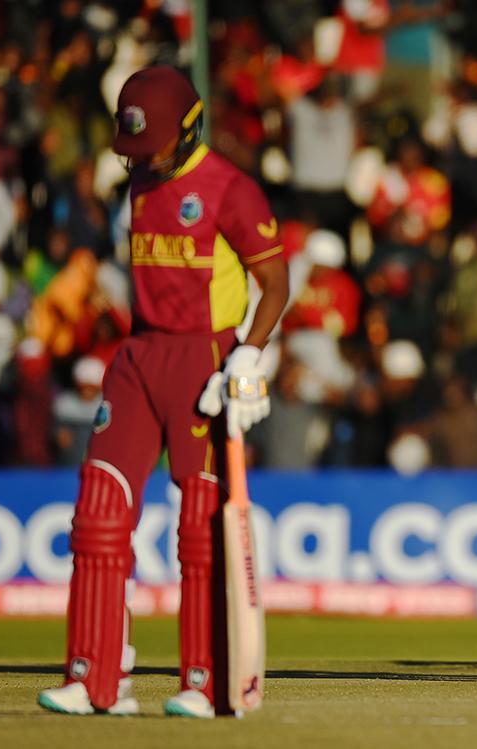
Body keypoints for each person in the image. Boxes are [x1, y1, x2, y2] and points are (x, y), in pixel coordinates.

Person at [38, 66, 289, 718]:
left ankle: (206, 681)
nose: (144, 161)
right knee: (98, 509)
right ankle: (95, 677)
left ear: (190, 128)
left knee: (201, 521)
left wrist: (249, 354)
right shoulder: (141, 180)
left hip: (205, 359)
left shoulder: (230, 188)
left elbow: (275, 282)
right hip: (139, 353)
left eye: (154, 147)